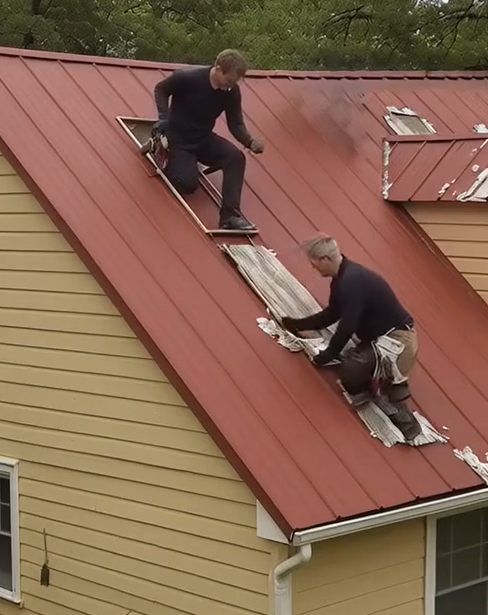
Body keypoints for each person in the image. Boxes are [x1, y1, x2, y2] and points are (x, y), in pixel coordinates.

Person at [281, 235, 421, 441]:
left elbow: (348, 325)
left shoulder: (351, 281)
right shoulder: (343, 279)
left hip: (398, 343)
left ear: (326, 259)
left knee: (352, 368)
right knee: (355, 363)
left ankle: (403, 416)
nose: (314, 268)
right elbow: (331, 314)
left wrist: (328, 355)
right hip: (381, 340)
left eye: (314, 263)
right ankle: (372, 387)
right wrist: (297, 325)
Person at [150, 49, 263, 231]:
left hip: (203, 138)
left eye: (234, 83)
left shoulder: (231, 91)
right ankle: (165, 151)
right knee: (186, 184)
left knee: (235, 158)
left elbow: (235, 123)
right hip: (178, 138)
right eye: (228, 80)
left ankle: (229, 217)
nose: (230, 86)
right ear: (218, 68)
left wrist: (249, 141)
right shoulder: (188, 78)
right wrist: (164, 117)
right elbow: (161, 89)